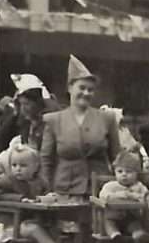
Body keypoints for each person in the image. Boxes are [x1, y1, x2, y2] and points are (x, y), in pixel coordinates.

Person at [40, 55, 121, 197]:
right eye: (82, 88)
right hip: (64, 190)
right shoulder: (54, 120)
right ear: (70, 88)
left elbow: (117, 158)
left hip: (99, 191)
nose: (86, 93)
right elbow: (46, 160)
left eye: (91, 90)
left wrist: (118, 188)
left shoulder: (107, 118)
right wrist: (47, 190)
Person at [0, 142, 78, 243]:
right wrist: (20, 199)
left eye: (23, 165)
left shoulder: (40, 182)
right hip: (11, 225)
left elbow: (44, 196)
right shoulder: (6, 181)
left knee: (57, 226)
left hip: (35, 220)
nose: (18, 169)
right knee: (33, 228)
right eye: (14, 165)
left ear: (36, 166)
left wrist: (49, 197)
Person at [97, 150, 149, 243]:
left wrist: (138, 197)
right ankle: (116, 237)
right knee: (108, 223)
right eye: (120, 171)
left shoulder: (139, 186)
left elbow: (146, 197)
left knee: (135, 224)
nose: (124, 174)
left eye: (129, 172)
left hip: (131, 216)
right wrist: (122, 195)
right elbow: (103, 196)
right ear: (115, 172)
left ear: (137, 173)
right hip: (112, 216)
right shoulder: (111, 186)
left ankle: (139, 237)